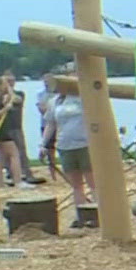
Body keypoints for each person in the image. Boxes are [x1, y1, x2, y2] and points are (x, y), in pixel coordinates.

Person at [38, 78, 95, 214]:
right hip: (65, 145)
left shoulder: (83, 98)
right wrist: (43, 144)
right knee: (76, 184)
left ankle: (97, 211)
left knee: (92, 181)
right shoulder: (55, 101)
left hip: (84, 143)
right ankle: (81, 212)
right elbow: (50, 124)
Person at [0, 74, 41, 189]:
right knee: (14, 154)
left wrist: (8, 92)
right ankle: (18, 181)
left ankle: (0, 183)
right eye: (4, 83)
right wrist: (5, 109)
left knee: (0, 158)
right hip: (1, 131)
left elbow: (15, 99)